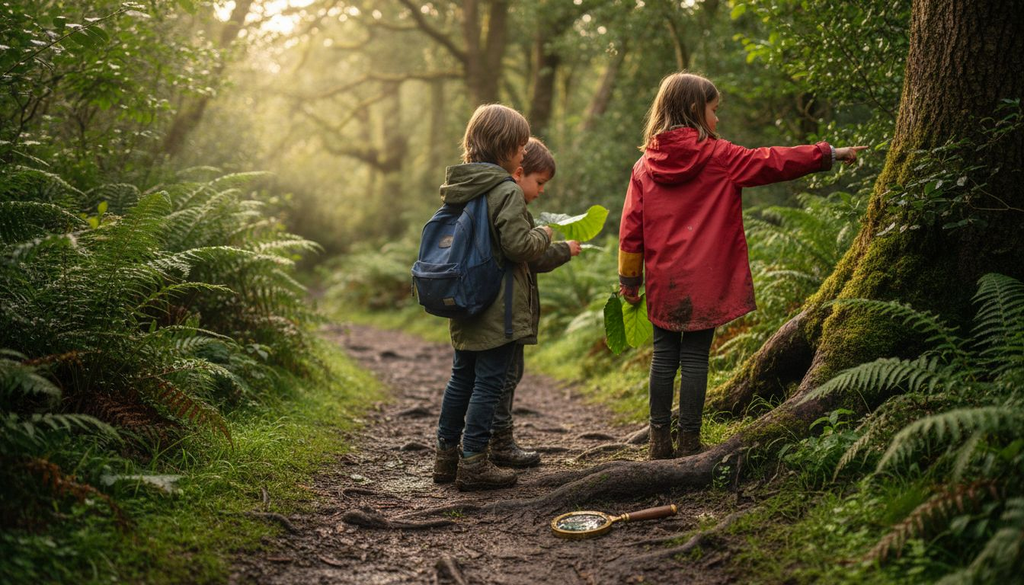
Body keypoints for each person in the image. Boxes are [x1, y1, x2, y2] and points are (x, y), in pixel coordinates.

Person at [617, 72, 866, 460]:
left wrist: (629, 282)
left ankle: (658, 441)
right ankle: (689, 442)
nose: (718, 120)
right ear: (695, 111)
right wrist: (828, 153)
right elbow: (771, 161)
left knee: (664, 358)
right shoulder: (720, 156)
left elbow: (630, 229)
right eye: (714, 111)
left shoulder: (643, 167)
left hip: (665, 280)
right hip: (706, 279)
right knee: (696, 358)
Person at [432, 104, 555, 491]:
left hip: (463, 301)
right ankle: (474, 463)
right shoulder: (503, 189)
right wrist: (546, 235)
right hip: (497, 308)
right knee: (489, 384)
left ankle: (445, 457)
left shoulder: (460, 186)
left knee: (460, 380)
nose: (523, 154)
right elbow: (519, 245)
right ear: (505, 149)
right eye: (520, 147)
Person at [488, 137, 581, 468]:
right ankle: (498, 442)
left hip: (507, 311)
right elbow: (527, 252)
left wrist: (562, 250)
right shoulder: (511, 204)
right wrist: (548, 238)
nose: (542, 190)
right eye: (539, 182)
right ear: (519, 173)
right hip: (507, 311)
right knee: (505, 376)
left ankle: (490, 441)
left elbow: (532, 258)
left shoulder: (511, 206)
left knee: (508, 374)